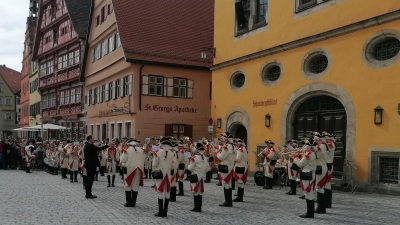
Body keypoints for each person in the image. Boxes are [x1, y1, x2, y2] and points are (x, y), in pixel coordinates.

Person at [292, 139, 317, 218]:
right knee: (308, 193)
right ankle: (310, 212)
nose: (303, 147)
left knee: (308, 193)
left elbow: (300, 164)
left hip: (308, 174)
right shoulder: (309, 153)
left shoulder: (308, 154)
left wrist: (295, 157)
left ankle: (310, 213)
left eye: (305, 145)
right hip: (308, 173)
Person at [120, 138, 145, 207]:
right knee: (135, 185)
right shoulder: (141, 150)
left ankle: (128, 202)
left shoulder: (127, 150)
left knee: (128, 184)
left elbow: (122, 160)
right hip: (139, 168)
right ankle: (133, 202)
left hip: (129, 168)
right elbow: (144, 159)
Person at [152, 137, 174, 217]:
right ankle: (165, 212)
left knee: (160, 191)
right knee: (167, 190)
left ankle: (160, 212)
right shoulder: (172, 153)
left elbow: (155, 164)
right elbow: (174, 165)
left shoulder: (158, 152)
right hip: (168, 172)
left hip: (160, 172)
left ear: (161, 144)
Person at [216, 132, 236, 207]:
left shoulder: (226, 146)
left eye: (223, 137)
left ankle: (227, 202)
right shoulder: (233, 146)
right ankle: (229, 201)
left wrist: (217, 152)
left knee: (226, 184)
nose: (222, 138)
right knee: (229, 184)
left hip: (226, 166)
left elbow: (221, 157)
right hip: (231, 166)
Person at [311, 132, 329, 214]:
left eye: (314, 139)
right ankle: (321, 206)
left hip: (320, 167)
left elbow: (316, 156)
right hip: (320, 166)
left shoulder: (321, 146)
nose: (313, 140)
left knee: (319, 187)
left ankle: (321, 207)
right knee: (319, 187)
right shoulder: (322, 145)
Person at [188, 142, 208, 212]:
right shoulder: (205, 158)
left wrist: (188, 165)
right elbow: (207, 168)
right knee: (200, 192)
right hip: (202, 175)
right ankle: (199, 207)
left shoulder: (194, 158)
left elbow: (190, 168)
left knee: (195, 191)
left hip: (195, 175)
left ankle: (196, 207)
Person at [322, 131, 335, 208]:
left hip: (328, 165)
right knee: (326, 184)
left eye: (325, 137)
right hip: (326, 165)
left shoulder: (330, 144)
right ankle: (326, 201)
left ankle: (328, 202)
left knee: (327, 184)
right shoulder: (327, 144)